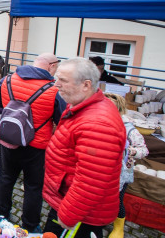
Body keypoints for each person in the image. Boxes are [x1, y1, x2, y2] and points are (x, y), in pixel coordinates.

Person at [43, 58, 126, 238]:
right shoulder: (82, 106)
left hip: (80, 215)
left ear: (86, 85)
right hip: (69, 202)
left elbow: (91, 181)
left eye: (63, 80)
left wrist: (68, 215)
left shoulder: (98, 125)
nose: (56, 84)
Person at [0, 53, 65, 233]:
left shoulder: (8, 80)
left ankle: (2, 214)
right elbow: (61, 119)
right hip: (36, 147)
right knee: (33, 186)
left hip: (9, 140)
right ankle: (30, 225)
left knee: (6, 178)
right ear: (51, 67)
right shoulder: (53, 90)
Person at [105, 93, 148, 238]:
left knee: (117, 201)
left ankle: (119, 228)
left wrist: (129, 150)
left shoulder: (128, 128)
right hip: (102, 170)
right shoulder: (100, 122)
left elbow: (144, 150)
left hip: (120, 174)